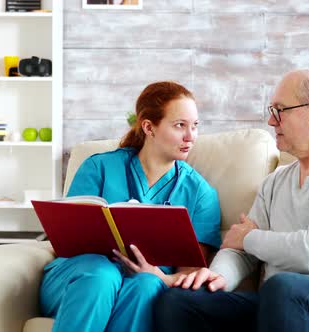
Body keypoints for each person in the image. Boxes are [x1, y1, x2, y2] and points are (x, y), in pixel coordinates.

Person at [154, 69, 309, 332]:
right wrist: (217, 278)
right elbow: (239, 249)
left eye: (280, 110)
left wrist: (249, 238)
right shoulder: (277, 181)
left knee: (284, 287)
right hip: (281, 304)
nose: (272, 121)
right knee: (179, 301)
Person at [39, 81, 221, 332]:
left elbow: (190, 273)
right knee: (103, 275)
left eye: (195, 126)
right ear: (148, 127)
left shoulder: (201, 194)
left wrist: (157, 274)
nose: (190, 136)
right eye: (180, 125)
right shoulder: (98, 168)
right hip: (81, 276)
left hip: (147, 282)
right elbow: (67, 243)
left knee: (146, 285)